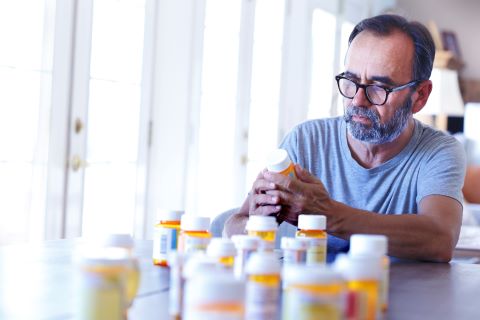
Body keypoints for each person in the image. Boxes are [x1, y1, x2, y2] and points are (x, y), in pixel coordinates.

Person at [224, 14, 466, 262]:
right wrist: (256, 223)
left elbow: (440, 239)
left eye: (379, 88)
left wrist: (327, 213)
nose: (357, 101)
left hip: (390, 297)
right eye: (350, 81)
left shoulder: (439, 151)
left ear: (420, 95)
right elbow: (233, 226)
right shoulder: (306, 141)